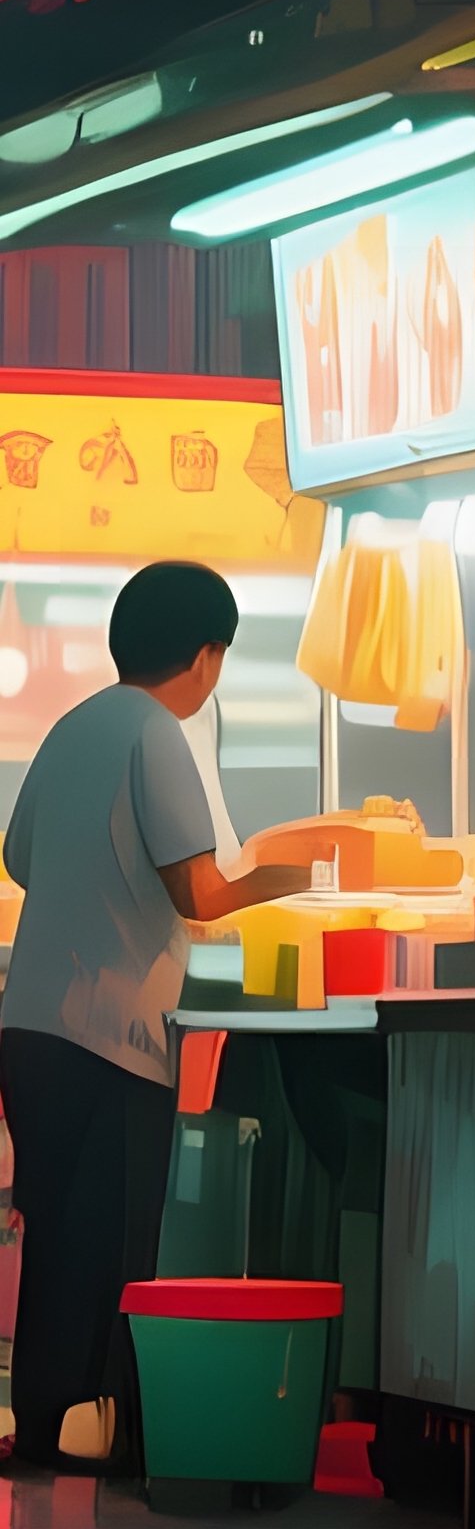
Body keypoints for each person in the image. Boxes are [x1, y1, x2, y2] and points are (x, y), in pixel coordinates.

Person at [0, 562, 330, 1471]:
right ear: (206, 654)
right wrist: (309, 873)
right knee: (112, 1248)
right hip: (111, 1036)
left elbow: (20, 859)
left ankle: (37, 1434)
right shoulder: (158, 733)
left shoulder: (75, 726)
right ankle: (98, 1440)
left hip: (30, 1026)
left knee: (55, 1231)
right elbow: (205, 891)